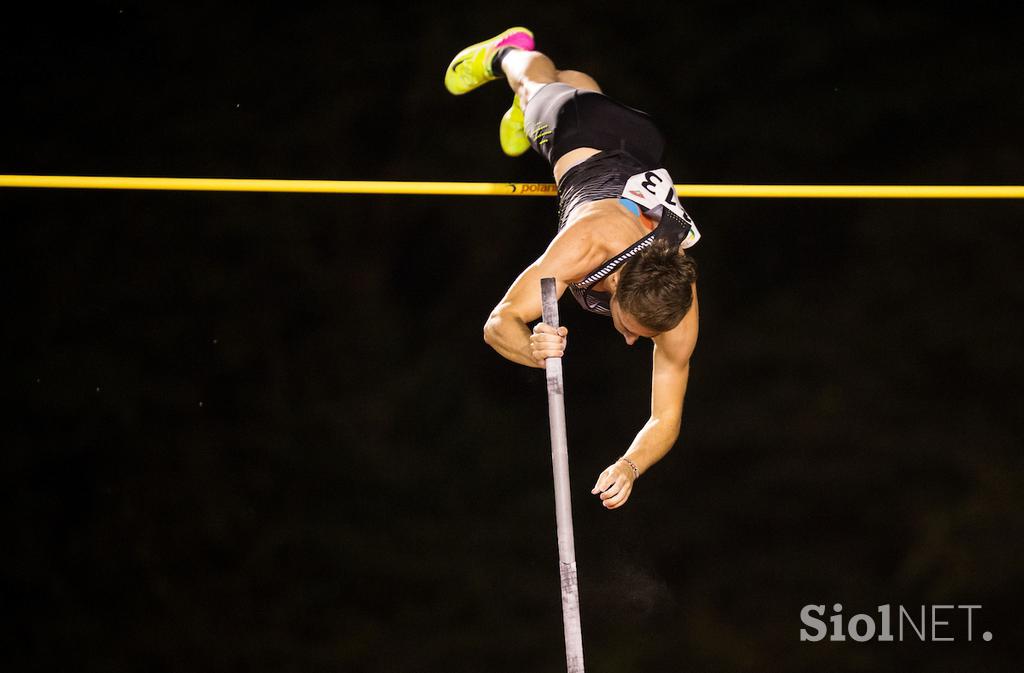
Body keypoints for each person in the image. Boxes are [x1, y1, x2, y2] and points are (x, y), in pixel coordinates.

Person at [445, 28, 701, 510]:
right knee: (536, 84)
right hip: (575, 130)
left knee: (574, 84)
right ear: (620, 286)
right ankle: (507, 53)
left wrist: (630, 465)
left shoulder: (676, 303)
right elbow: (499, 322)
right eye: (629, 328)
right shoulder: (585, 246)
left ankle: (543, 93)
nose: (628, 340)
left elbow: (665, 417)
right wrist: (535, 351)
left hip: (638, 137)